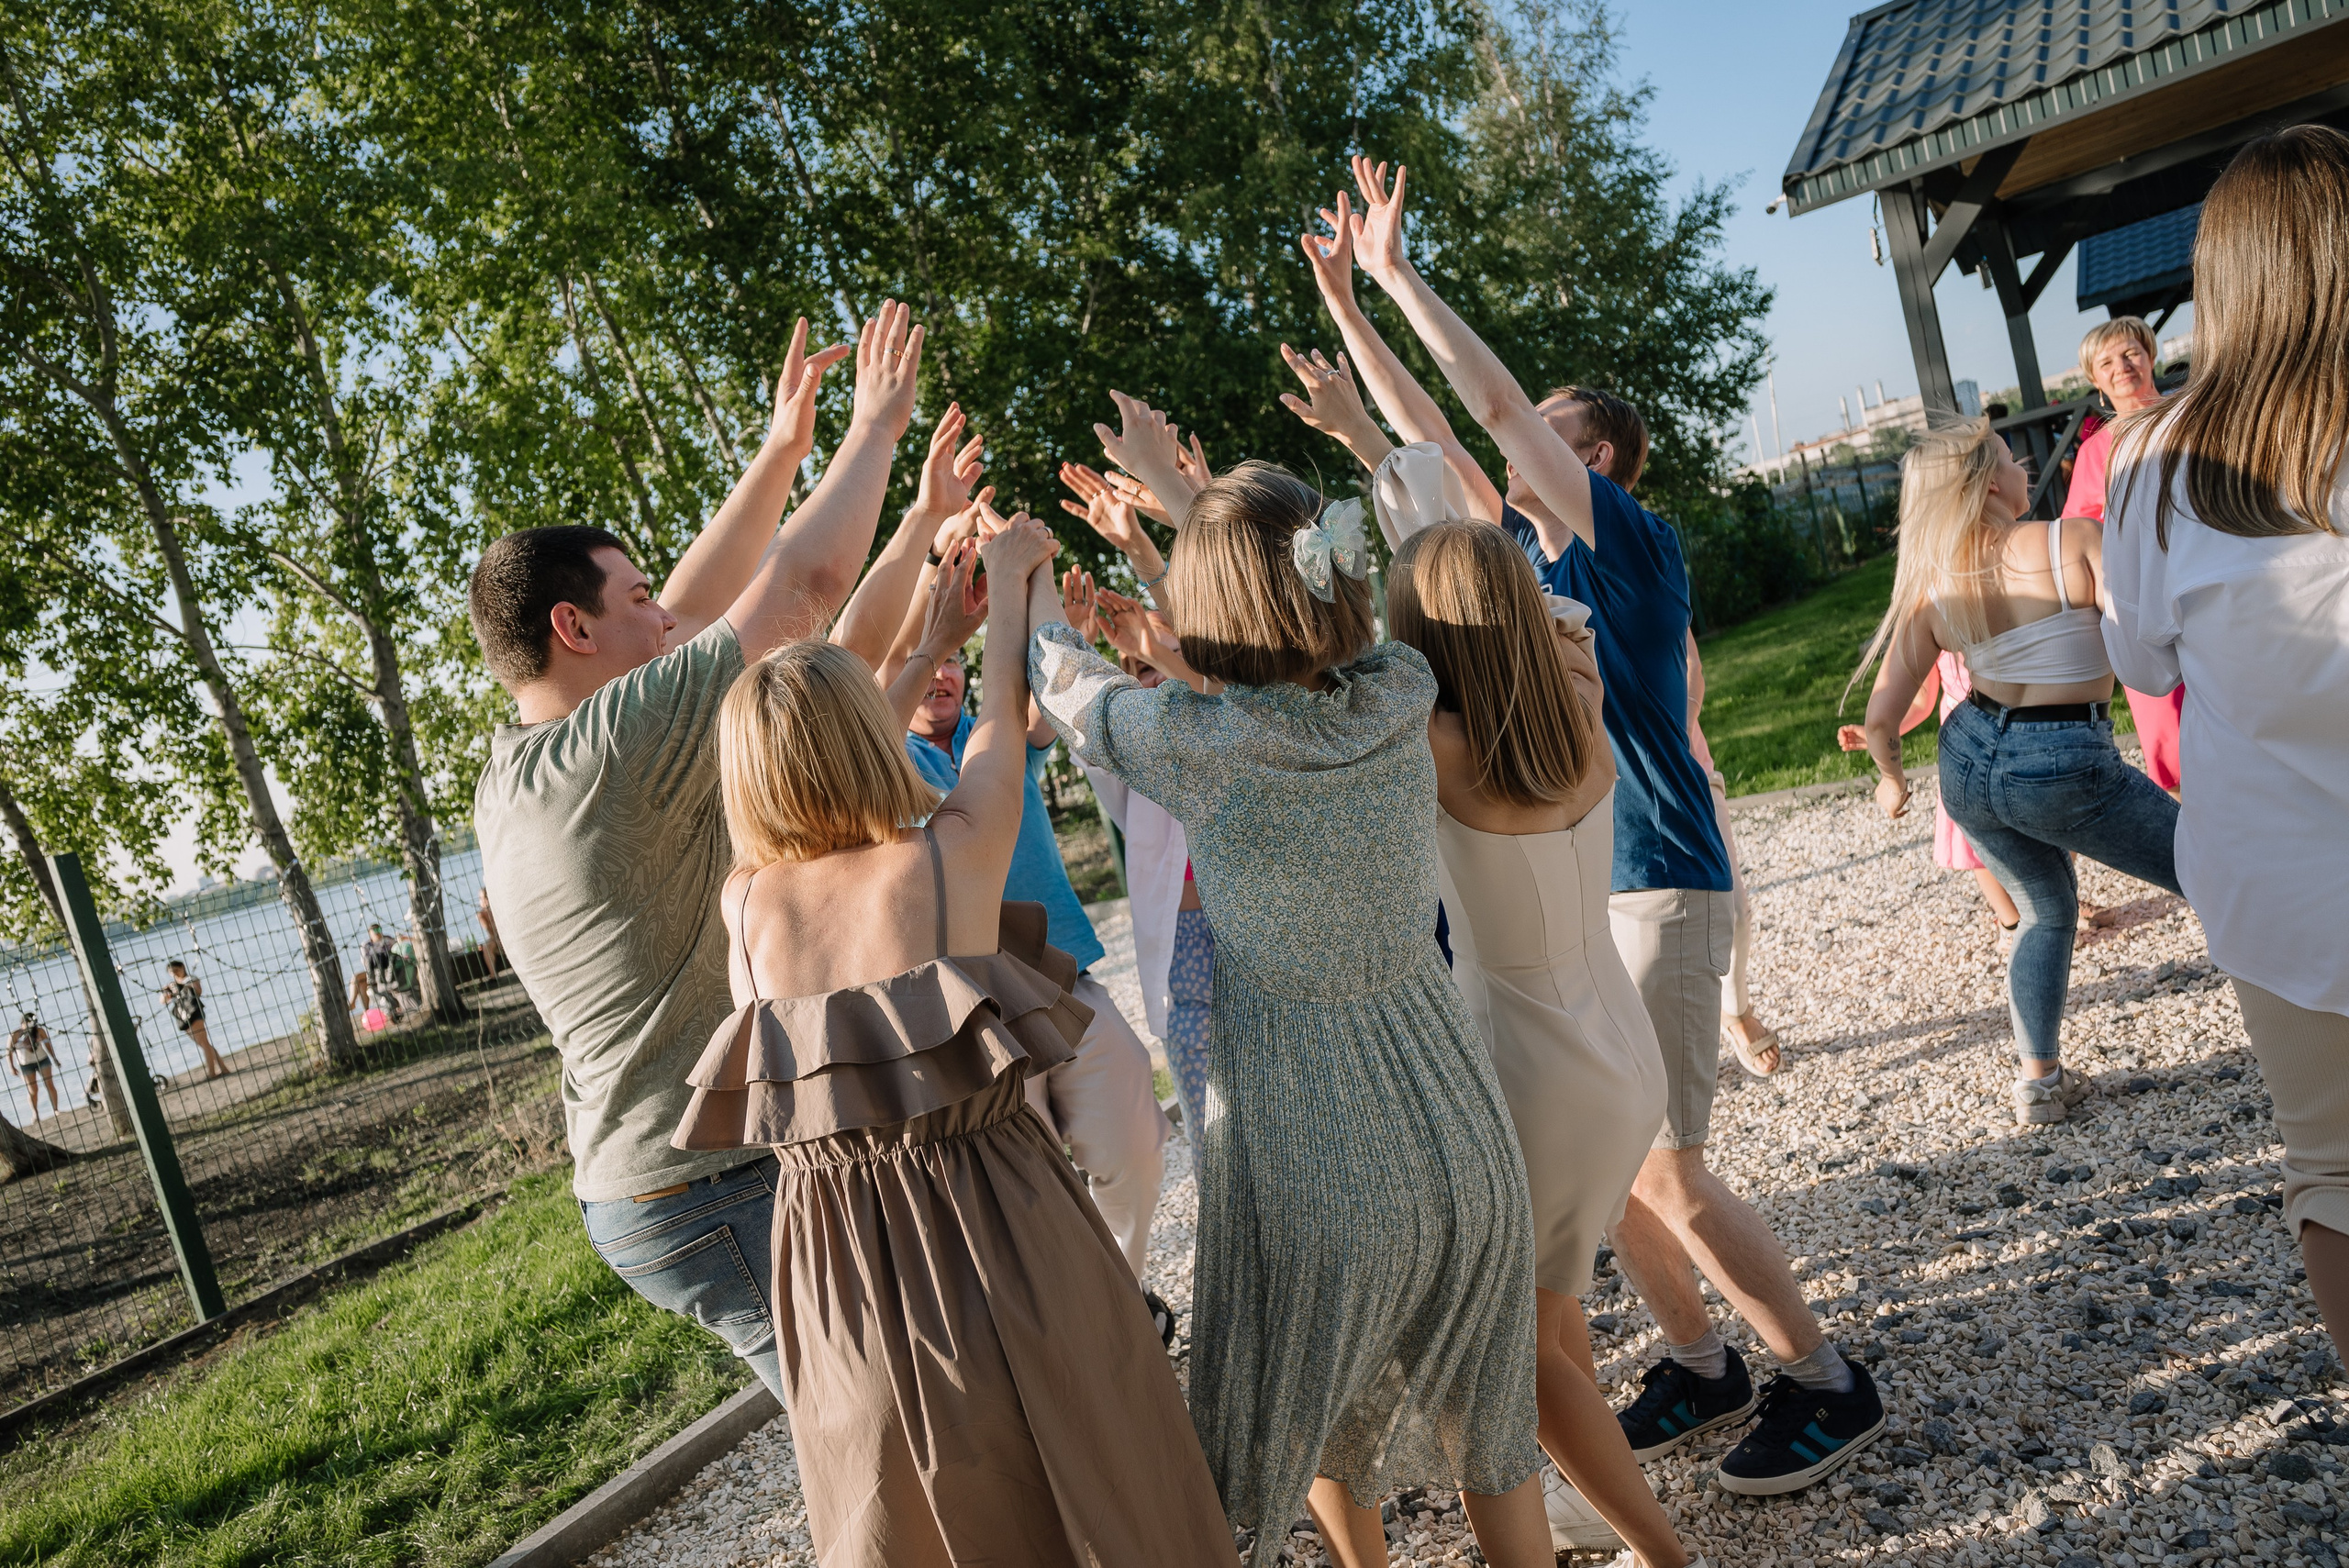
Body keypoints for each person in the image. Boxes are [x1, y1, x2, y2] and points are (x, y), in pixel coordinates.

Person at [1332, 156, 1881, 1499]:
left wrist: (1402, 277)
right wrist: (1352, 310)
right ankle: (1700, 1362)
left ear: (1589, 459)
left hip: (1661, 889)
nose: (1507, 444)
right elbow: (1439, 449)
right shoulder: (1526, 559)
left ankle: (1827, 1379)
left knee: (1674, 1173)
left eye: (1541, 431)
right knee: (1612, 1176)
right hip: (1599, 897)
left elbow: (1486, 410)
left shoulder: (1626, 544)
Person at [671, 515, 1237, 1568]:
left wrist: (920, 645)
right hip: (997, 1218)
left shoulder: (745, 904)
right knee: (1101, 1459)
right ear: (871, 741)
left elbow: (812, 764)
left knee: (915, 1509)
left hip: (837, 1260)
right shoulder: (947, 862)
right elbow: (999, 728)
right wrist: (1009, 593)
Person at [1030, 459, 1561, 1568]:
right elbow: (1293, 651)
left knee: (1284, 1429)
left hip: (1316, 1160)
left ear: (1206, 606)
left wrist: (1035, 596)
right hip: (1469, 1143)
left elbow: (1071, 687)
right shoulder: (1401, 685)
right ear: (1334, 573)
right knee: (1495, 1438)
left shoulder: (1197, 744)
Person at [469, 304, 932, 1401]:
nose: (667, 621)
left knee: (897, 1406)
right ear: (575, 632)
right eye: (634, 605)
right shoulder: (611, 753)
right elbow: (799, 593)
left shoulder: (535, 759)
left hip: (654, 1181)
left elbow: (687, 603)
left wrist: (782, 450)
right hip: (704, 1181)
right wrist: (875, 427)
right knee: (892, 1420)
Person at [1384, 517, 1698, 1567]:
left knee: (1518, 1351)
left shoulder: (1431, 745)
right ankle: (1601, 1505)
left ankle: (1663, 1550)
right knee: (1550, 1320)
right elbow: (1555, 621)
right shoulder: (1579, 710)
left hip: (1531, 1064)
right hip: (1616, 1042)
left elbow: (1306, 694)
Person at [2101, 125, 2349, 1354]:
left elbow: (2138, 659)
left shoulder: (2154, 462)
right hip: (2281, 873)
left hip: (2279, 886)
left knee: (2334, 1173)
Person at [1855, 417, 2182, 1124]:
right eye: (2012, 457)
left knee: (2045, 909)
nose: (2026, 464)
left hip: (1969, 761)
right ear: (1990, 484)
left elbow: (1881, 719)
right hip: (2063, 757)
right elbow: (2148, 664)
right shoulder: (2076, 540)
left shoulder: (1934, 583)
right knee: (2208, 864)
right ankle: (2308, 1019)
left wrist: (1891, 778)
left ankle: (2039, 1082)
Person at [896, 639, 1168, 1280]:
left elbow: (1046, 706)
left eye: (956, 658)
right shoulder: (882, 755)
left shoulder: (997, 734)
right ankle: (1081, 1320)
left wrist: (1052, 633)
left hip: (1063, 977)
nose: (941, 672)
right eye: (925, 657)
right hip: (972, 1010)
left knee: (1136, 1141)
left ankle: (1122, 1295)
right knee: (1033, 1182)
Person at [2065, 315, 2184, 795]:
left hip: (2206, 578)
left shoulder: (2189, 415)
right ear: (2095, 381)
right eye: (2107, 361)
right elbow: (2080, 529)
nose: (2122, 366)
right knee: (2167, 727)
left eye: (2131, 352)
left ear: (2150, 355)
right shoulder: (2096, 453)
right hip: (2141, 599)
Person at [1838, 652, 2025, 944]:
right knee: (1977, 840)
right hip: (1965, 738)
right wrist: (1884, 731)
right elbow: (1921, 701)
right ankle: (2011, 922)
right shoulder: (1934, 621)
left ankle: (2049, 906)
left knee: (2043, 819)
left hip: (2022, 720)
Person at [1684, 635, 1784, 1075]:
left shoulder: (1650, 564)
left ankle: (1735, 1010)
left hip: (1689, 766)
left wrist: (1672, 737)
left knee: (1736, 911)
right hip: (1614, 789)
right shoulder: (1548, 576)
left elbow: (1691, 665)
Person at [161, 961, 228, 1080]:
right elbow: (163, 1000)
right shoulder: (172, 984)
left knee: (204, 1042)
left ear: (182, 967)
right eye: (172, 972)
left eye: (177, 970)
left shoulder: (190, 979)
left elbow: (198, 991)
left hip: (194, 1011)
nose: (175, 974)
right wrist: (167, 992)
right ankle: (223, 1069)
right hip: (183, 1016)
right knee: (204, 1044)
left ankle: (212, 1072)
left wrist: (182, 986)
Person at [9, 1014, 57, 1118]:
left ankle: (56, 1110)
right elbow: (9, 1051)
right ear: (22, 1024)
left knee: (49, 1083)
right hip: (25, 1064)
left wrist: (54, 1058)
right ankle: (35, 1113)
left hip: (42, 1059)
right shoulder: (15, 1035)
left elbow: (47, 1044)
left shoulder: (39, 1031)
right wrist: (11, 1067)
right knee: (33, 1090)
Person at [475, 887, 502, 979]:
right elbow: (490, 932)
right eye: (480, 898)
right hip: (495, 939)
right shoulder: (481, 915)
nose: (483, 901)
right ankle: (493, 975)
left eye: (485, 897)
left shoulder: (499, 909)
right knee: (487, 946)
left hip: (504, 937)